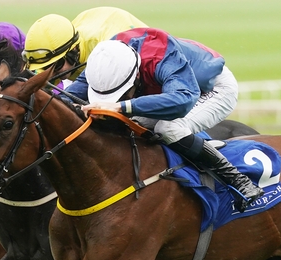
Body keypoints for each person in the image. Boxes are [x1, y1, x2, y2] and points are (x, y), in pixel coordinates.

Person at [64, 28, 263, 212]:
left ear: (136, 76)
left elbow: (183, 100)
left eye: (122, 94)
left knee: (168, 128)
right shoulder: (104, 61)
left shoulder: (160, 58)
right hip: (171, 87)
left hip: (209, 88)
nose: (118, 99)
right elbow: (68, 97)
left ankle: (239, 181)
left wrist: (121, 106)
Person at [22, 7, 147, 83]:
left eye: (57, 65)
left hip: (136, 51)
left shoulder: (104, 49)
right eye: (45, 67)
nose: (52, 73)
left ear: (73, 50)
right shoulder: (56, 55)